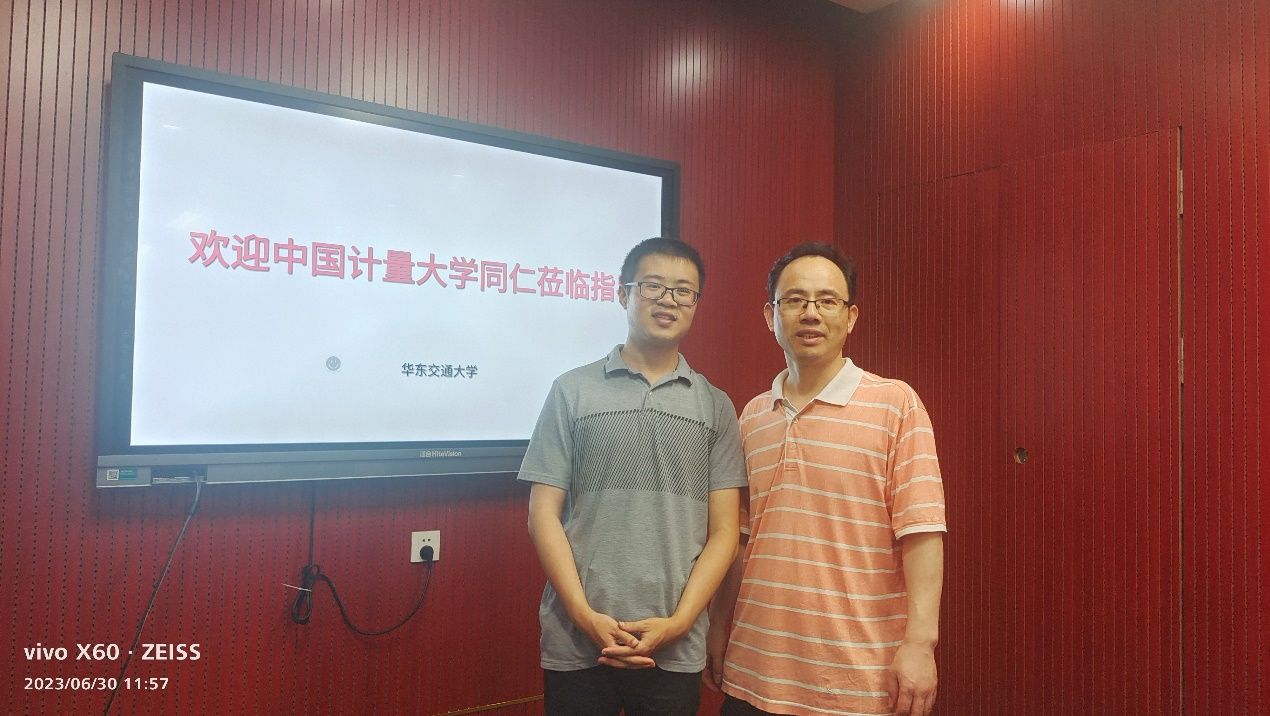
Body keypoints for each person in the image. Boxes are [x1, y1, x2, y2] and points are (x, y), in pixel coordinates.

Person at [705, 242, 947, 716]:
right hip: (753, 673)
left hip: (855, 682)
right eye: (794, 300)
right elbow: (739, 539)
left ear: (851, 317)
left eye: (827, 300)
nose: (810, 313)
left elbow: (921, 531)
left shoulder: (896, 405)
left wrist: (921, 644)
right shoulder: (751, 417)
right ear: (770, 316)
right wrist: (717, 625)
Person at [519, 237, 746, 716]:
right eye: (653, 286)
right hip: (576, 640)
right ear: (623, 293)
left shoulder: (715, 406)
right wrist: (584, 615)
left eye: (684, 291)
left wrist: (680, 623)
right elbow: (542, 514)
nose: (669, 300)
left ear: (696, 304)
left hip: (674, 644)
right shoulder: (571, 391)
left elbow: (725, 533)